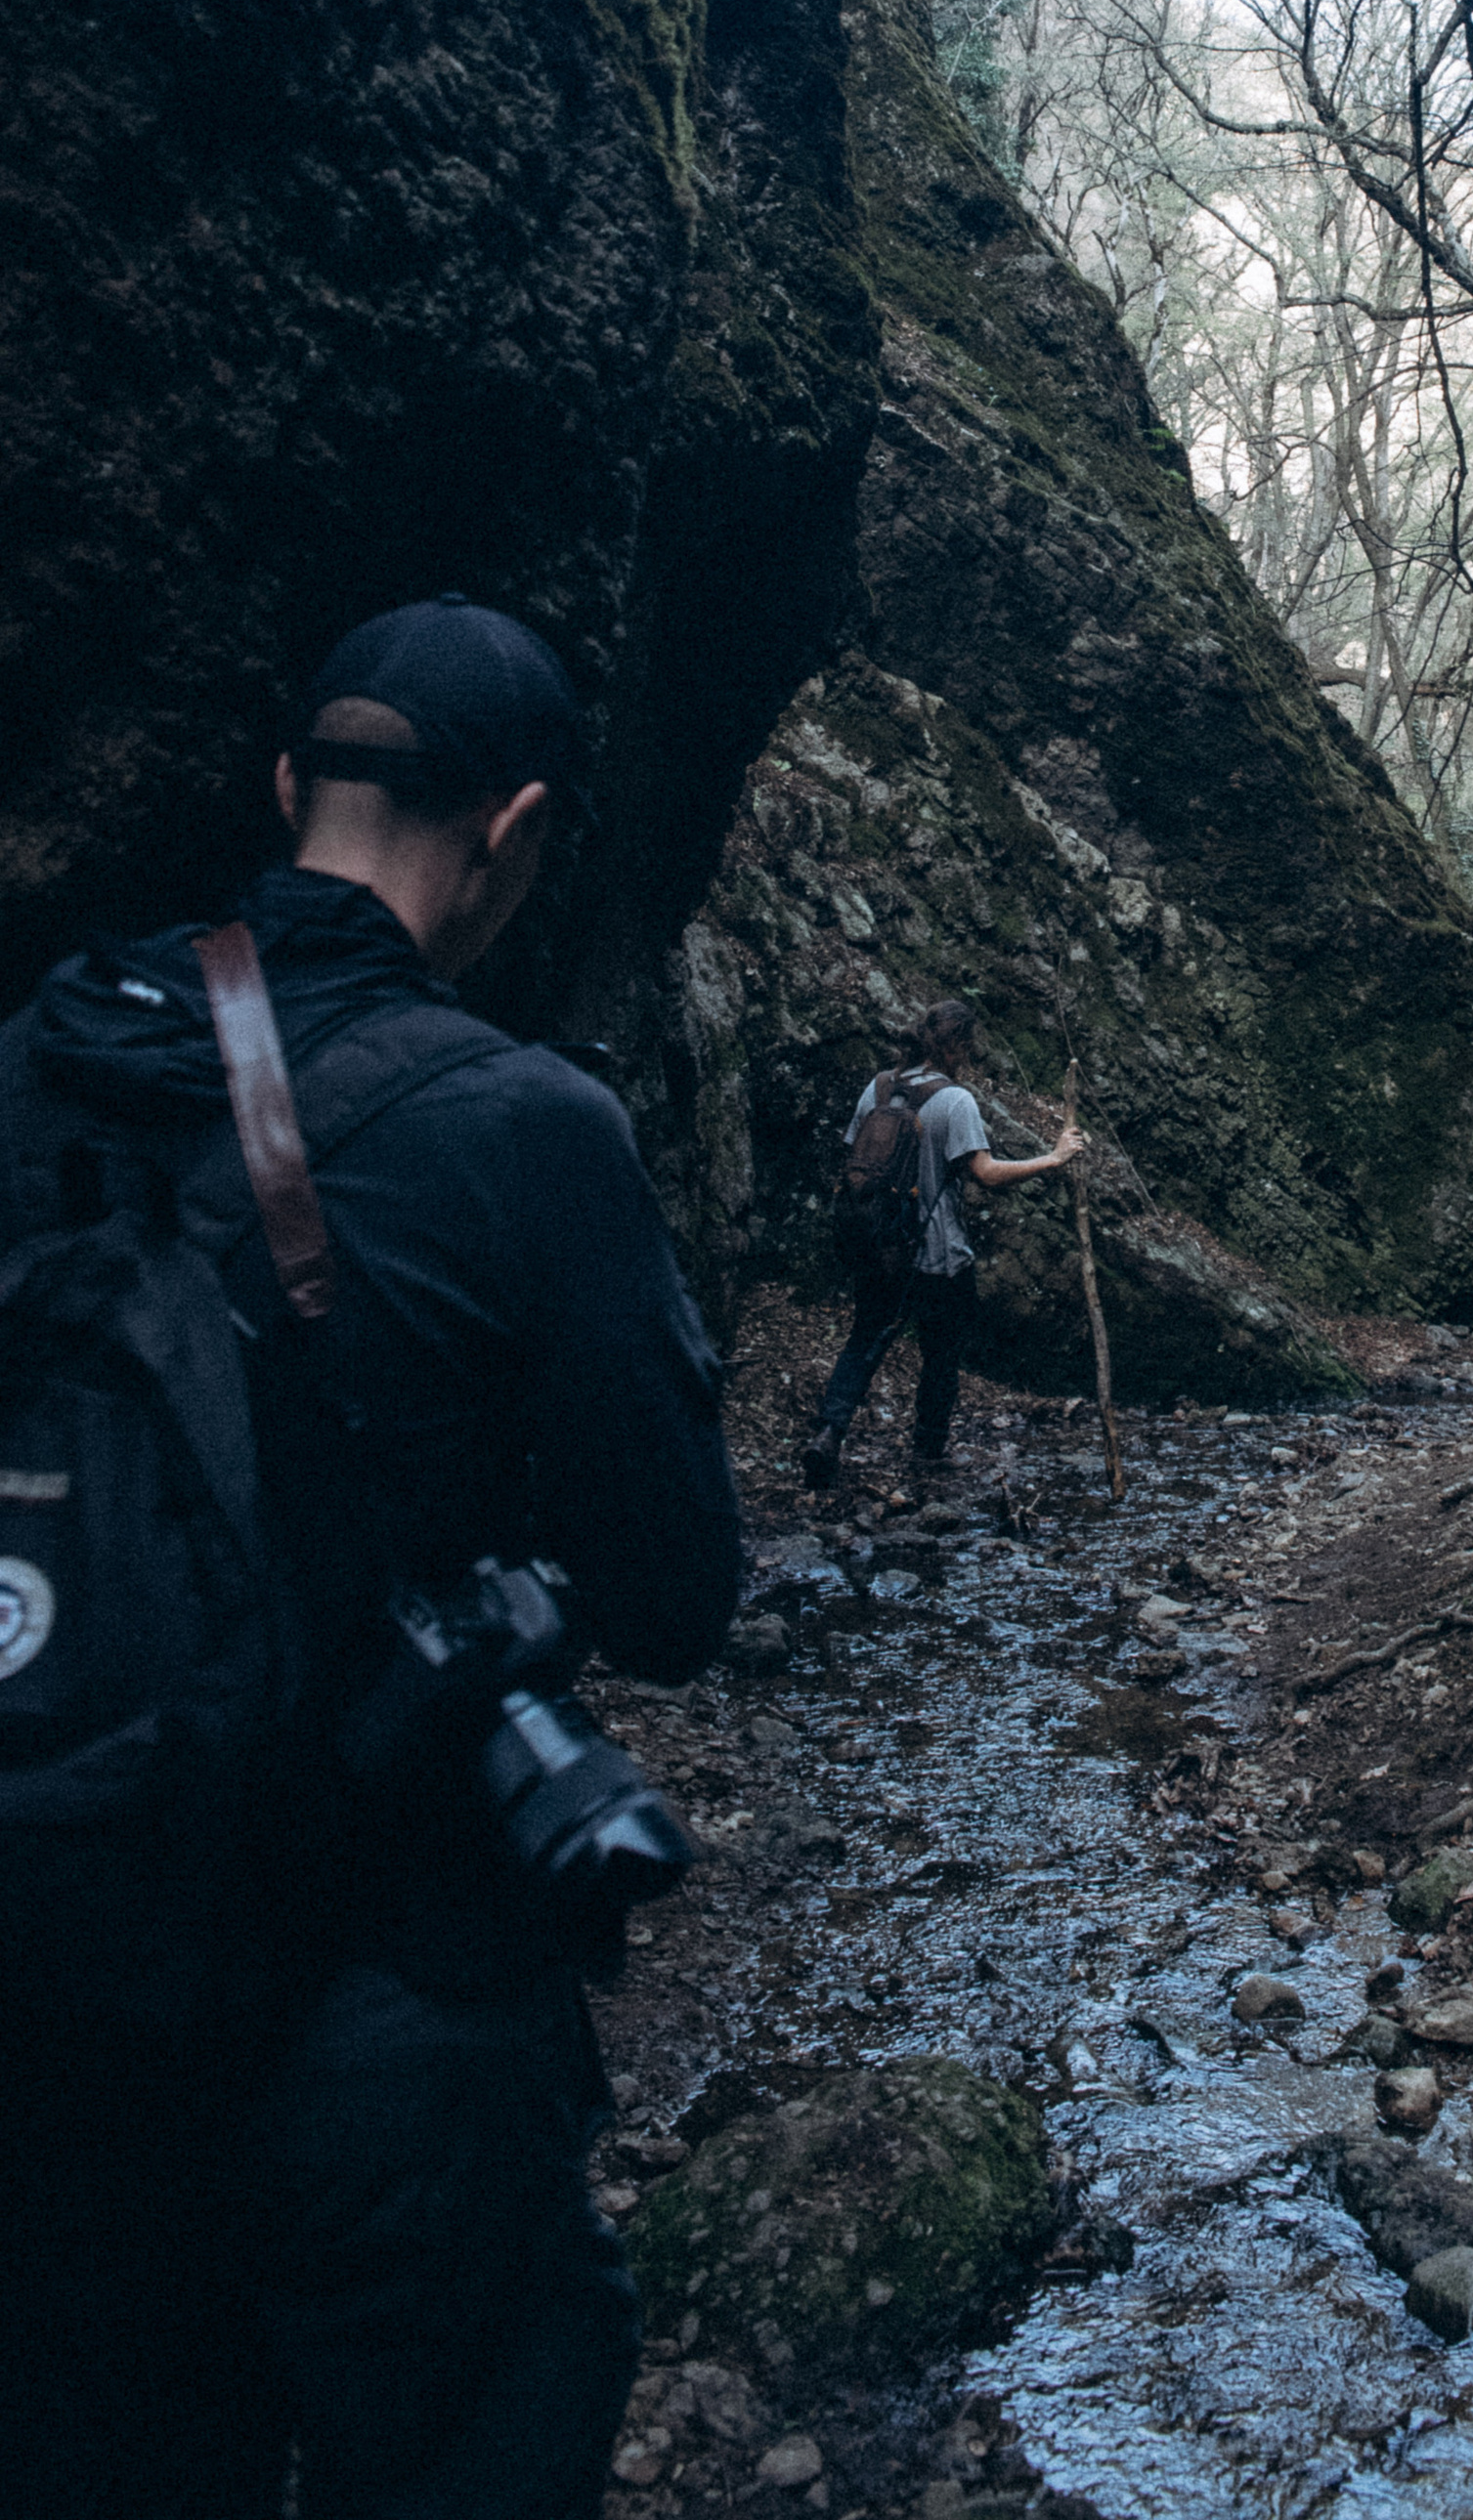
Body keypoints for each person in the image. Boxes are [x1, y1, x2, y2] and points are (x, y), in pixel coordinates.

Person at [1, 594, 742, 2520]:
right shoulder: (524, 1126)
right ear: (509, 831)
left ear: (284, 790)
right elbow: (675, 1590)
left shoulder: (42, 1060)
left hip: (55, 1984)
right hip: (390, 2009)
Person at [803, 994, 1083, 1495]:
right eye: (968, 1047)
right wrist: (1054, 1159)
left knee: (864, 1340)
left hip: (879, 1248)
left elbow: (854, 1162)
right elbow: (986, 1174)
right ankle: (928, 1452)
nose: (969, 1057)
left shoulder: (880, 1087)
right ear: (955, 1045)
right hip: (938, 1256)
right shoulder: (955, 1100)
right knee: (941, 1355)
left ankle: (829, 1433)